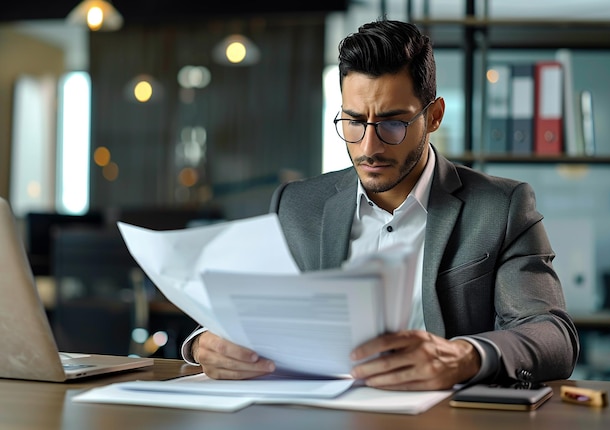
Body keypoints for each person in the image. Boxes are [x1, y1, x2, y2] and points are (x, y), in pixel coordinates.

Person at [181, 18, 579, 390]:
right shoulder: (297, 205)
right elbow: (240, 309)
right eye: (353, 121)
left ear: (434, 116)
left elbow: (552, 335)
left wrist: (463, 356)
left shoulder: (500, 208)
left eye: (393, 122)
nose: (369, 147)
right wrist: (204, 344)